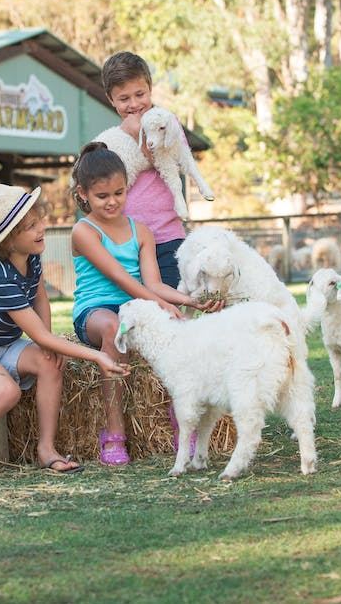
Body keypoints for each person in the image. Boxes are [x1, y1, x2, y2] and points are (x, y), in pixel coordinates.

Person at [0, 183, 127, 486]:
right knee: (6, 391)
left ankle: (46, 450)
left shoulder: (32, 257)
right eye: (31, 227)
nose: (41, 229)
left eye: (39, 221)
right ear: (9, 240)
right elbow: (37, 332)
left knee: (51, 362)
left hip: (3, 343)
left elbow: (40, 299)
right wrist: (97, 355)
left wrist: (46, 343)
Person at [70, 144, 219, 466]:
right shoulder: (83, 231)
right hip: (96, 311)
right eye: (102, 196)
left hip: (137, 306)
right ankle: (114, 432)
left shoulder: (141, 232)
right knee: (115, 328)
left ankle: (182, 417)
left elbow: (153, 284)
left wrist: (190, 301)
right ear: (83, 194)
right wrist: (159, 304)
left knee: (181, 329)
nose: (112, 201)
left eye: (119, 193)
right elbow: (121, 278)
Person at [100, 51, 186, 289]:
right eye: (124, 98)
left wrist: (140, 134)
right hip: (127, 242)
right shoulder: (111, 141)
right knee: (135, 304)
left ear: (150, 88)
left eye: (140, 94)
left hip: (168, 237)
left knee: (168, 301)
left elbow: (176, 163)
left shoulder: (167, 124)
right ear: (111, 99)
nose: (134, 104)